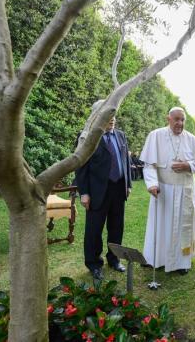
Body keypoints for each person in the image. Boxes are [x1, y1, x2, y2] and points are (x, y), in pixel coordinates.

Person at [140, 107, 195, 274]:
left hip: (185, 189)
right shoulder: (155, 136)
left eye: (182, 120)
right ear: (168, 119)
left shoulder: (191, 139)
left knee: (182, 226)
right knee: (161, 224)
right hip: (163, 189)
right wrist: (152, 184)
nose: (180, 123)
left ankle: (181, 262)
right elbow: (149, 164)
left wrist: (187, 165)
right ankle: (156, 258)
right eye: (176, 119)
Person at [75, 117, 132, 281]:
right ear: (99, 116)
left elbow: (125, 160)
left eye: (113, 117)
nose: (112, 120)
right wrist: (84, 192)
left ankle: (114, 259)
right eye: (108, 116)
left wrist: (128, 184)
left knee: (116, 227)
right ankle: (94, 264)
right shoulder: (87, 136)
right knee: (94, 230)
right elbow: (80, 165)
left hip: (119, 189)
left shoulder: (121, 135)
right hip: (96, 191)